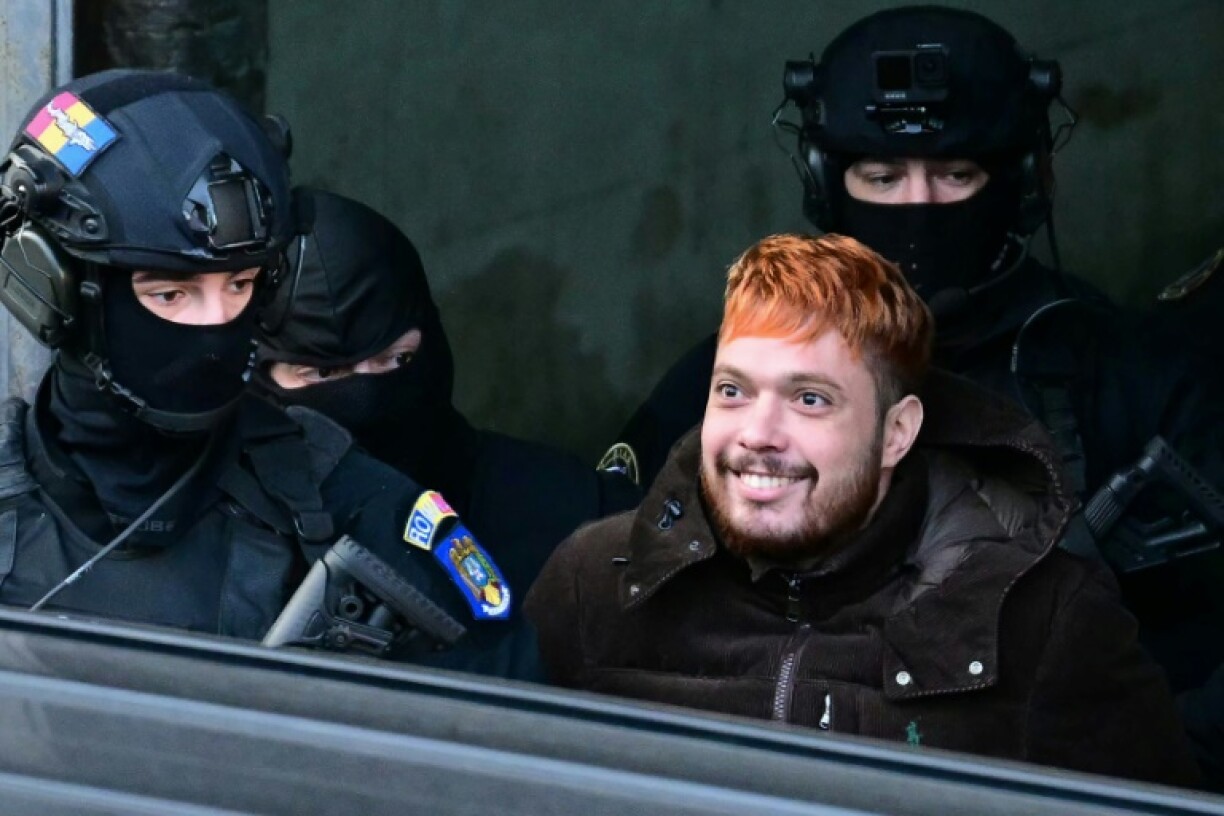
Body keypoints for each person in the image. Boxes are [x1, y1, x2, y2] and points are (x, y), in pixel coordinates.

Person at [609, 3, 1224, 718]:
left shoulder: (1129, 374)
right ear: (827, 186)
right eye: (883, 177)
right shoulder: (729, 382)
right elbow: (621, 609)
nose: (920, 206)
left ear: (1023, 181)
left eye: (956, 175)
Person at [527, 233, 1200, 786]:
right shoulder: (594, 584)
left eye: (809, 399)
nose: (757, 433)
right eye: (733, 391)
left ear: (897, 432)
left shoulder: (1048, 622)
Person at [0, 70, 511, 673]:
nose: (216, 326)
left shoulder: (347, 503)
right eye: (171, 294)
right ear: (59, 293)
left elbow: (512, 709)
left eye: (240, 285)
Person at [250, 187, 641, 671]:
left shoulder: (572, 513)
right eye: (323, 373)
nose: (367, 397)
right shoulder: (227, 555)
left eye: (396, 359)